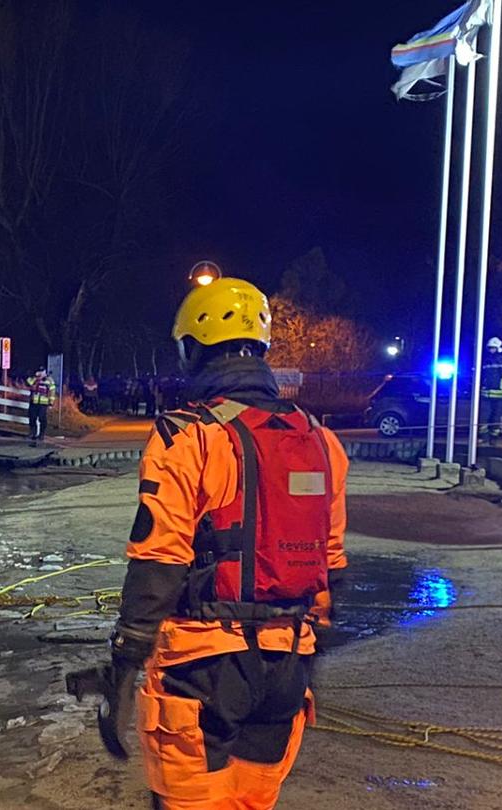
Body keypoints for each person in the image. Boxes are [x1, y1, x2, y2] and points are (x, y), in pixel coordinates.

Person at [108, 277, 348, 810]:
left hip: (204, 665)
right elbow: (331, 564)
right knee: (250, 803)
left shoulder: (186, 435)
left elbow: (159, 557)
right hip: (288, 664)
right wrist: (310, 654)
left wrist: (125, 659)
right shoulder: (320, 440)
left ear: (194, 349)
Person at [25, 365, 57, 445]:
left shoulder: (49, 381)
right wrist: (36, 378)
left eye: (42, 371)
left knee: (42, 418)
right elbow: (28, 382)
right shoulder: (35, 379)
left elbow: (52, 392)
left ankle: (41, 434)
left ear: (45, 372)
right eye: (39, 371)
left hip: (43, 403)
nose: (40, 373)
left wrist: (51, 402)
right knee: (32, 417)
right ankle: (32, 433)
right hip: (34, 402)